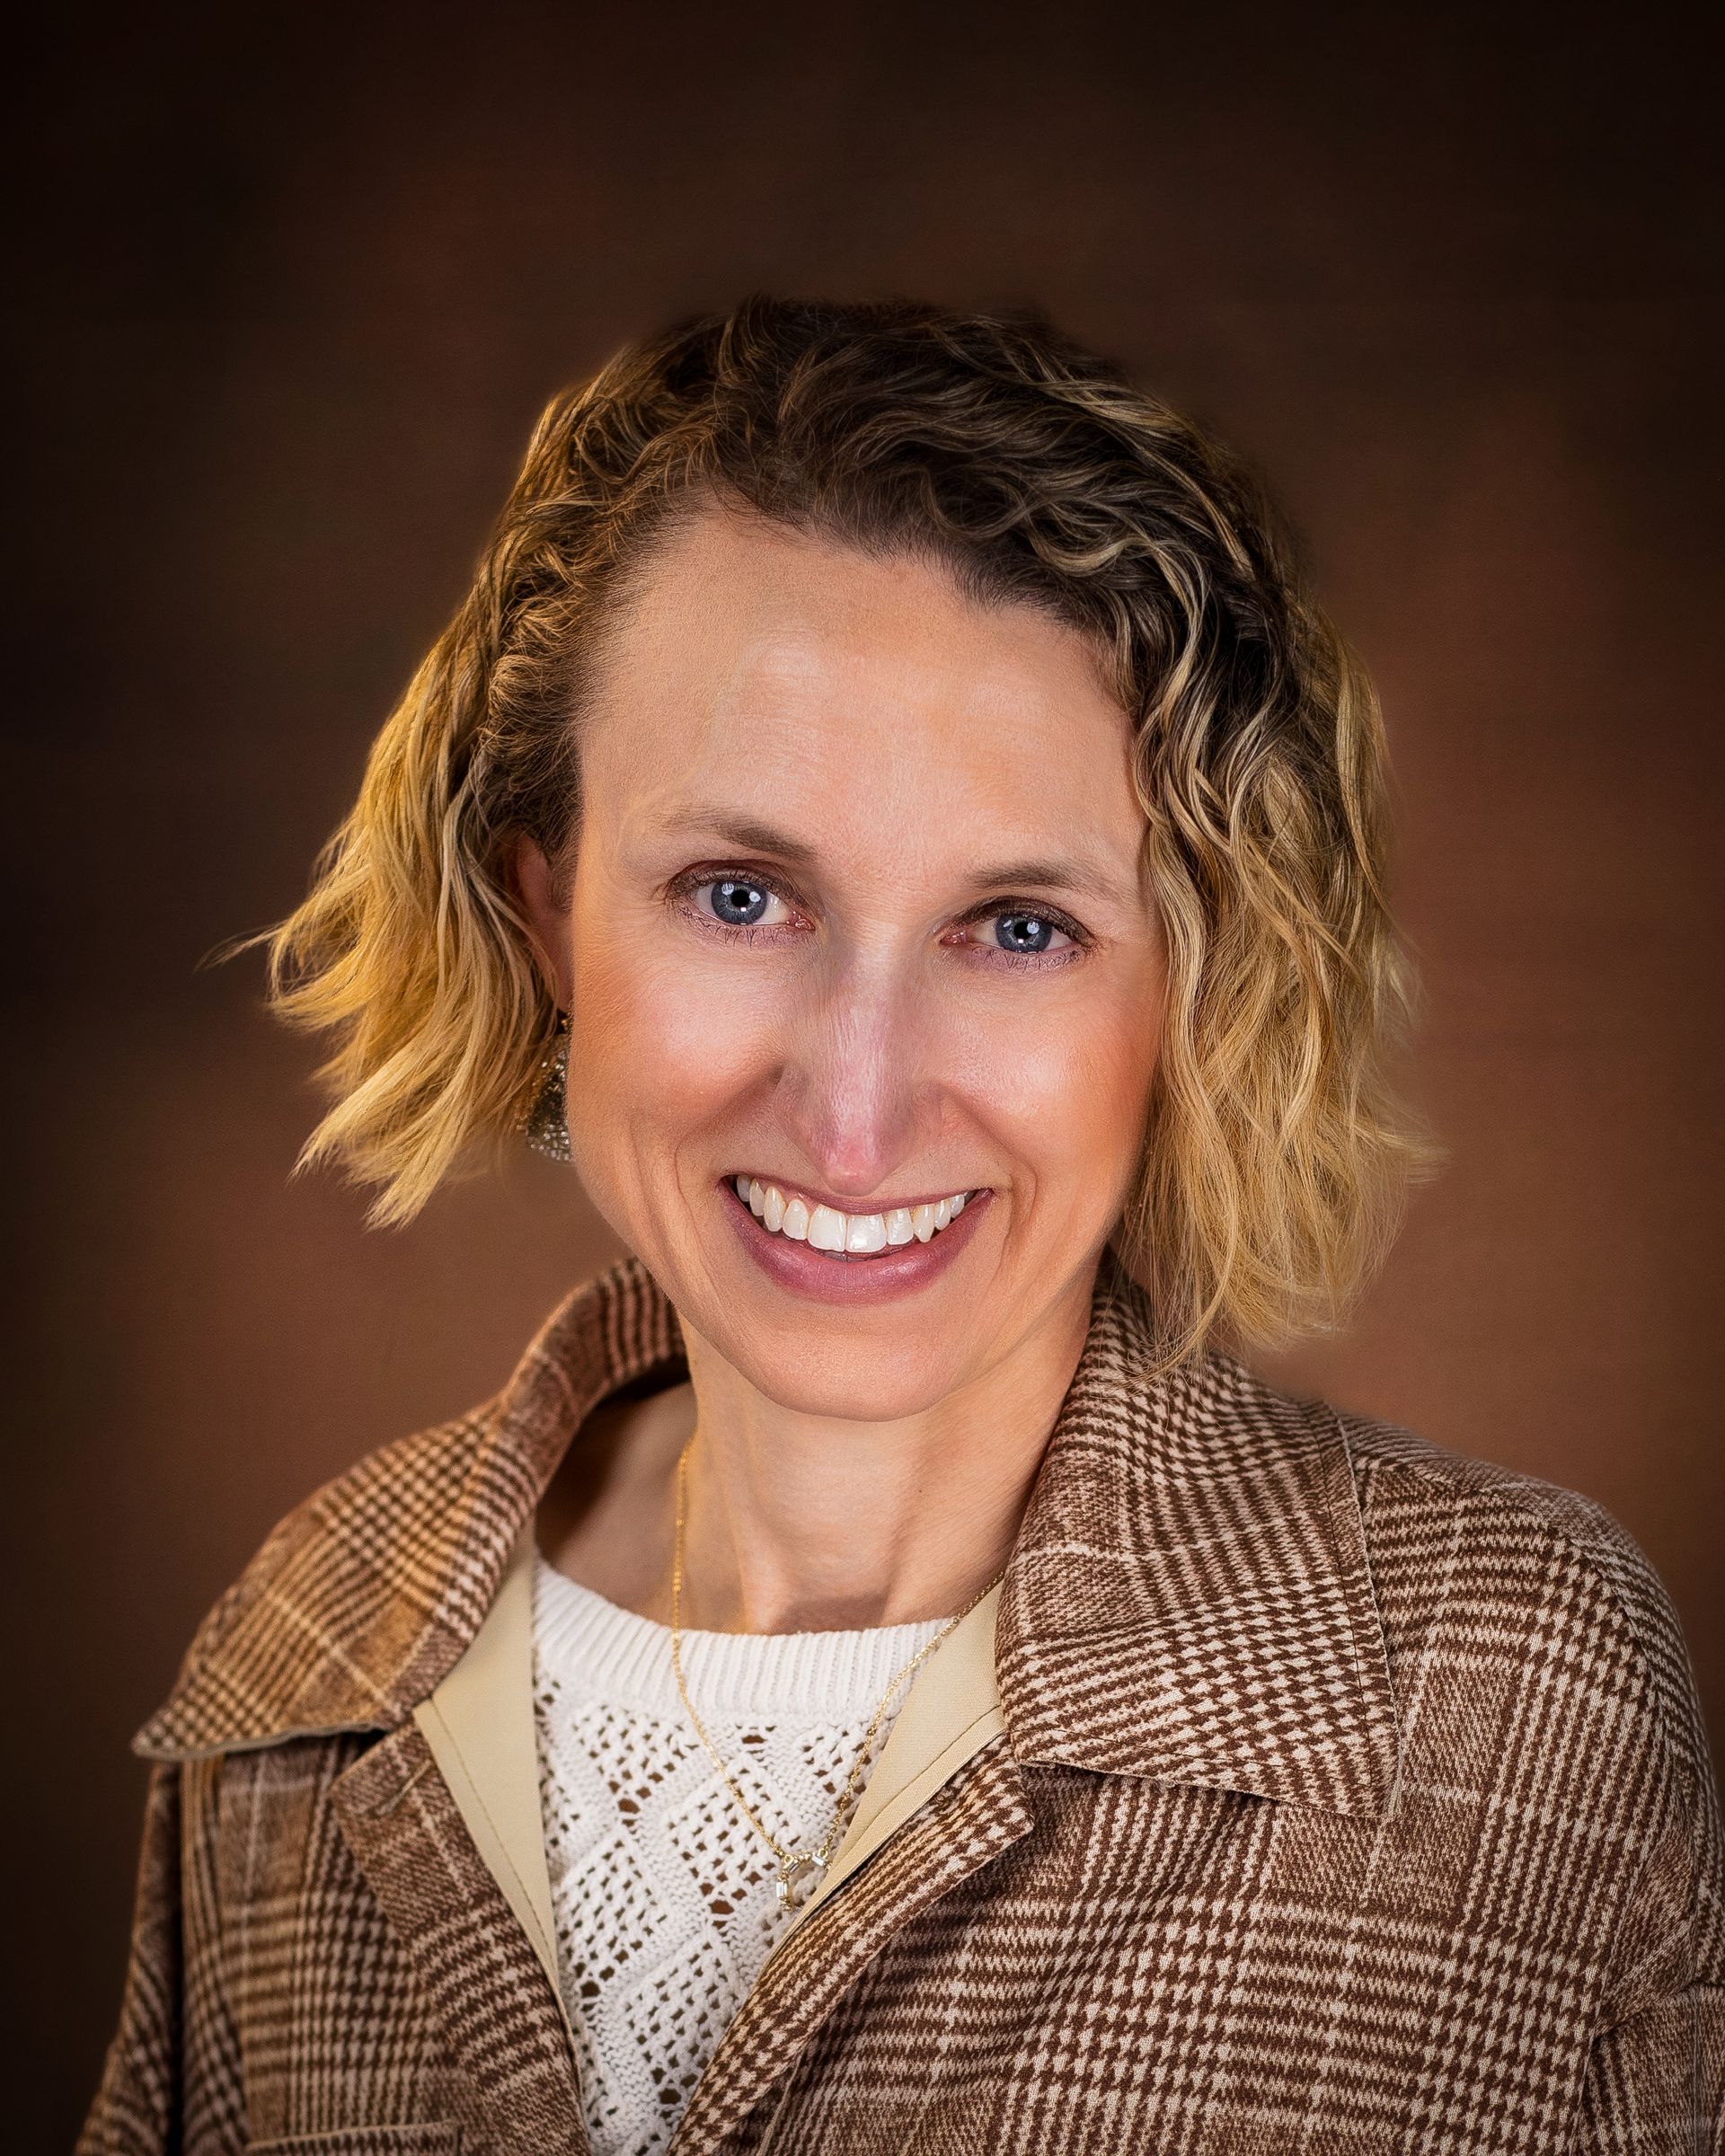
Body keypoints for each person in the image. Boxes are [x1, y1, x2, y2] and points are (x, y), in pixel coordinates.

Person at [80, 297, 1722, 2154]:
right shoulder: (298, 1666)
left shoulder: (1508, 1700)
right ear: (549, 915)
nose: (855, 1113)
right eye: (737, 892)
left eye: (1018, 928)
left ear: (1192, 995)